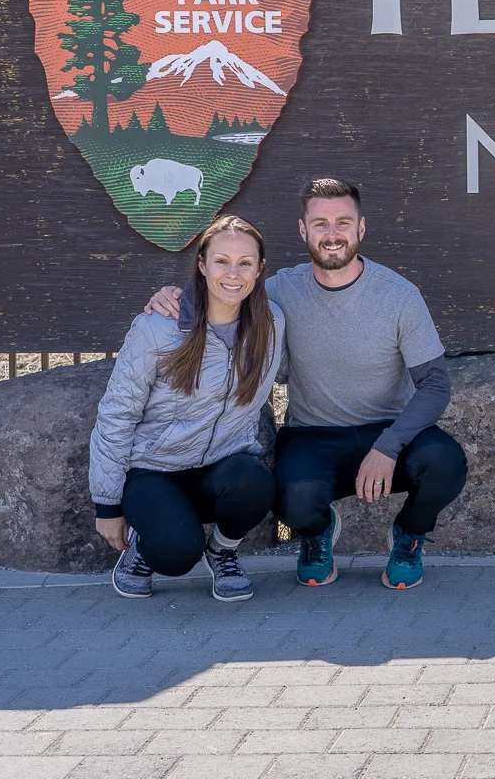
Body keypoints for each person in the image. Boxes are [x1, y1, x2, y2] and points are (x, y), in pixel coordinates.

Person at [147, 178, 466, 590]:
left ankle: (409, 535)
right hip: (313, 434)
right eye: (320, 224)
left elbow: (435, 385)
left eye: (342, 223)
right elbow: (223, 291)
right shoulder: (279, 289)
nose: (332, 234)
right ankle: (317, 534)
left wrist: (388, 447)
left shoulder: (399, 296)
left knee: (446, 463)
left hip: (389, 432)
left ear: (360, 229)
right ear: (303, 231)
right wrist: (173, 296)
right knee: (292, 502)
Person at [92, 215, 286, 602]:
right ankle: (145, 549)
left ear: (260, 269)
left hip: (221, 464)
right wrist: (107, 505)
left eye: (245, 263)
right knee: (177, 555)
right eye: (221, 261)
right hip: (154, 470)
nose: (233, 274)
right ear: (201, 264)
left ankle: (223, 550)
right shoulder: (157, 327)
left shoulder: (271, 324)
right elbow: (118, 413)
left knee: (256, 483)